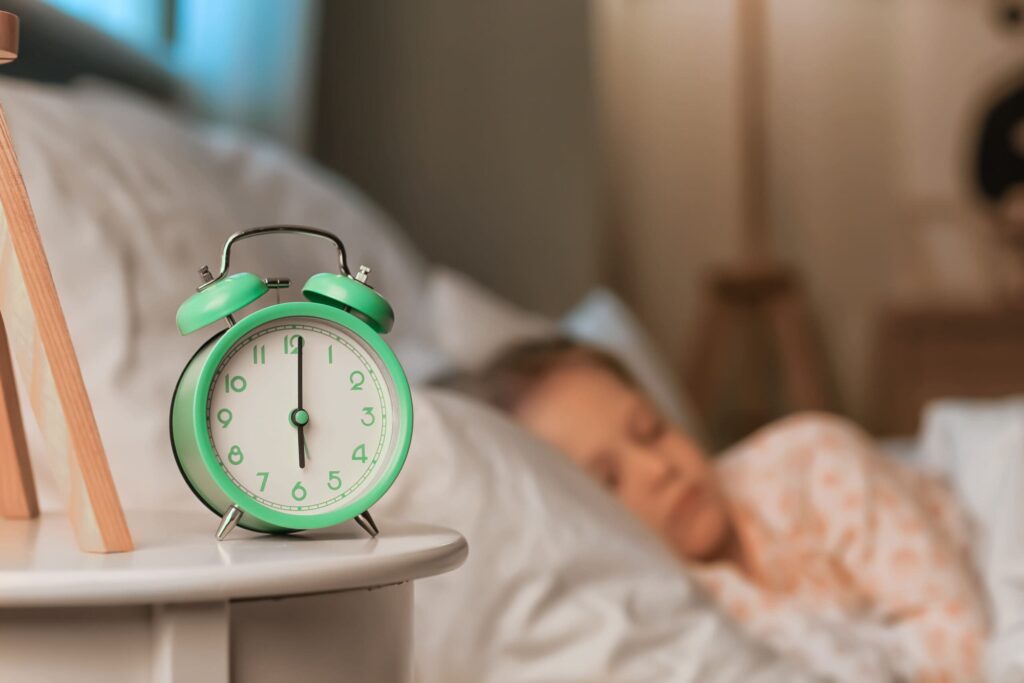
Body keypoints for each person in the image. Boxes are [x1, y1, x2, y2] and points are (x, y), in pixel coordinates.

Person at [457, 338, 988, 683]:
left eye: (651, 430)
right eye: (609, 481)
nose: (657, 468)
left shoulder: (812, 465)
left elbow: (962, 638)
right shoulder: (663, 609)